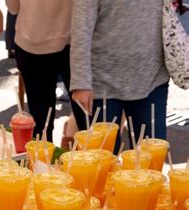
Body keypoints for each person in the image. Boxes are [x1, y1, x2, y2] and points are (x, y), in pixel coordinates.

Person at [70, 0, 170, 150]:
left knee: (151, 162)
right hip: (102, 83)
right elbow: (81, 28)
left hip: (152, 78)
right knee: (102, 160)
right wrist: (81, 82)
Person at [5, 0, 87, 142]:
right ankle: (91, 160)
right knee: (86, 116)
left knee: (40, 120)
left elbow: (13, 7)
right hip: (72, 40)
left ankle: (43, 161)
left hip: (31, 41)